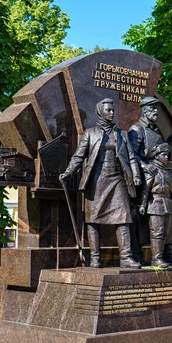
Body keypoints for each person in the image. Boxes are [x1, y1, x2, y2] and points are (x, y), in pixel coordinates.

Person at [59, 98, 142, 269]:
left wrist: (135, 174)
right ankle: (95, 258)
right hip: (97, 181)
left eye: (113, 110)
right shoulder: (90, 133)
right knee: (93, 220)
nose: (112, 113)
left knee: (123, 219)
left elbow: (131, 157)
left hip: (118, 180)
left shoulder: (122, 134)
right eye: (108, 110)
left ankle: (126, 257)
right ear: (100, 112)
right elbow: (78, 156)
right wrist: (67, 173)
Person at [129, 96, 172, 265]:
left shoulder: (155, 131)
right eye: (153, 110)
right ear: (145, 111)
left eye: (157, 110)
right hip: (145, 176)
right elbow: (132, 153)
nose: (156, 113)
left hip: (160, 171)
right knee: (156, 223)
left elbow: (160, 150)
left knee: (171, 216)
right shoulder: (137, 129)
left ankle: (170, 253)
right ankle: (154, 256)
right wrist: (144, 166)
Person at [139, 143, 172, 268]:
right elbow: (146, 189)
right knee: (157, 233)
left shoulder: (168, 173)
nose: (167, 158)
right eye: (164, 155)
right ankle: (156, 259)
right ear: (157, 156)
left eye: (167, 155)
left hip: (167, 205)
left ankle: (161, 257)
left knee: (164, 234)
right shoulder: (152, 170)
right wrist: (143, 204)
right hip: (155, 204)